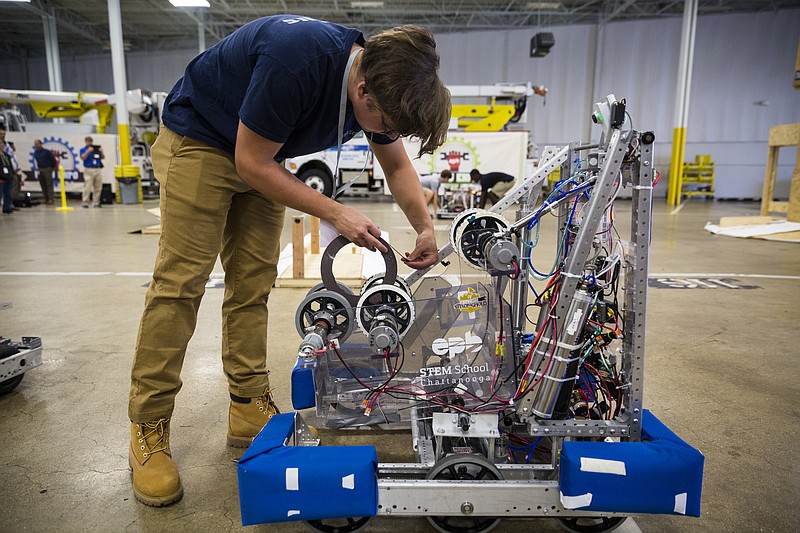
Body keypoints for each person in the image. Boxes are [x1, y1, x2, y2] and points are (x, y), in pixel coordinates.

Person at [127, 15, 450, 507]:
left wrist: (426, 226)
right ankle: (147, 426)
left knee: (253, 282)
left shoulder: (385, 77)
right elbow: (249, 163)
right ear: (362, 91)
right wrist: (335, 211)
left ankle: (246, 403)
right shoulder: (296, 59)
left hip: (259, 150)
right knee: (181, 284)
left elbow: (397, 164)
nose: (388, 134)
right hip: (201, 139)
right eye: (386, 123)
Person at [80, 136, 105, 208]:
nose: (89, 142)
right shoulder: (83, 149)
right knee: (87, 187)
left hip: (97, 169)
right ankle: (85, 202)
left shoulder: (96, 149)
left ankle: (96, 202)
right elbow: (83, 157)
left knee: (98, 187)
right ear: (85, 142)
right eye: (87, 141)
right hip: (89, 169)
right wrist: (88, 151)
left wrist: (101, 152)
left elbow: (103, 157)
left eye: (90, 141)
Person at [33, 139, 57, 205]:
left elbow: (53, 160)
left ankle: (50, 199)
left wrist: (51, 168)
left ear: (41, 144)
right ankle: (46, 198)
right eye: (35, 144)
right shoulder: (36, 153)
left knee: (49, 184)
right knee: (43, 185)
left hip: (47, 169)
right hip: (40, 169)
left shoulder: (46, 152)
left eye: (37, 144)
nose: (36, 145)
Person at [0, 140, 14, 214]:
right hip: (1, 178)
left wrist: (12, 174)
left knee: (8, 194)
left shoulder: (6, 156)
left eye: (2, 143)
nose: (1, 145)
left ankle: (6, 208)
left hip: (8, 177)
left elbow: (10, 166)